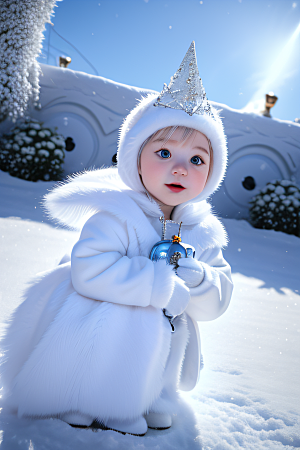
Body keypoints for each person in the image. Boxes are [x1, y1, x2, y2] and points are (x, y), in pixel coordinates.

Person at [0, 42, 233, 436]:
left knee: (165, 340)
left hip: (162, 351)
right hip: (97, 332)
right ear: (134, 158)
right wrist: (158, 285)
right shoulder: (116, 215)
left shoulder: (205, 233)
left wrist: (198, 280)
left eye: (196, 160)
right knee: (112, 327)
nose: (179, 168)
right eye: (163, 152)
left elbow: (217, 300)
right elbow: (89, 270)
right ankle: (78, 396)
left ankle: (152, 398)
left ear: (211, 173)